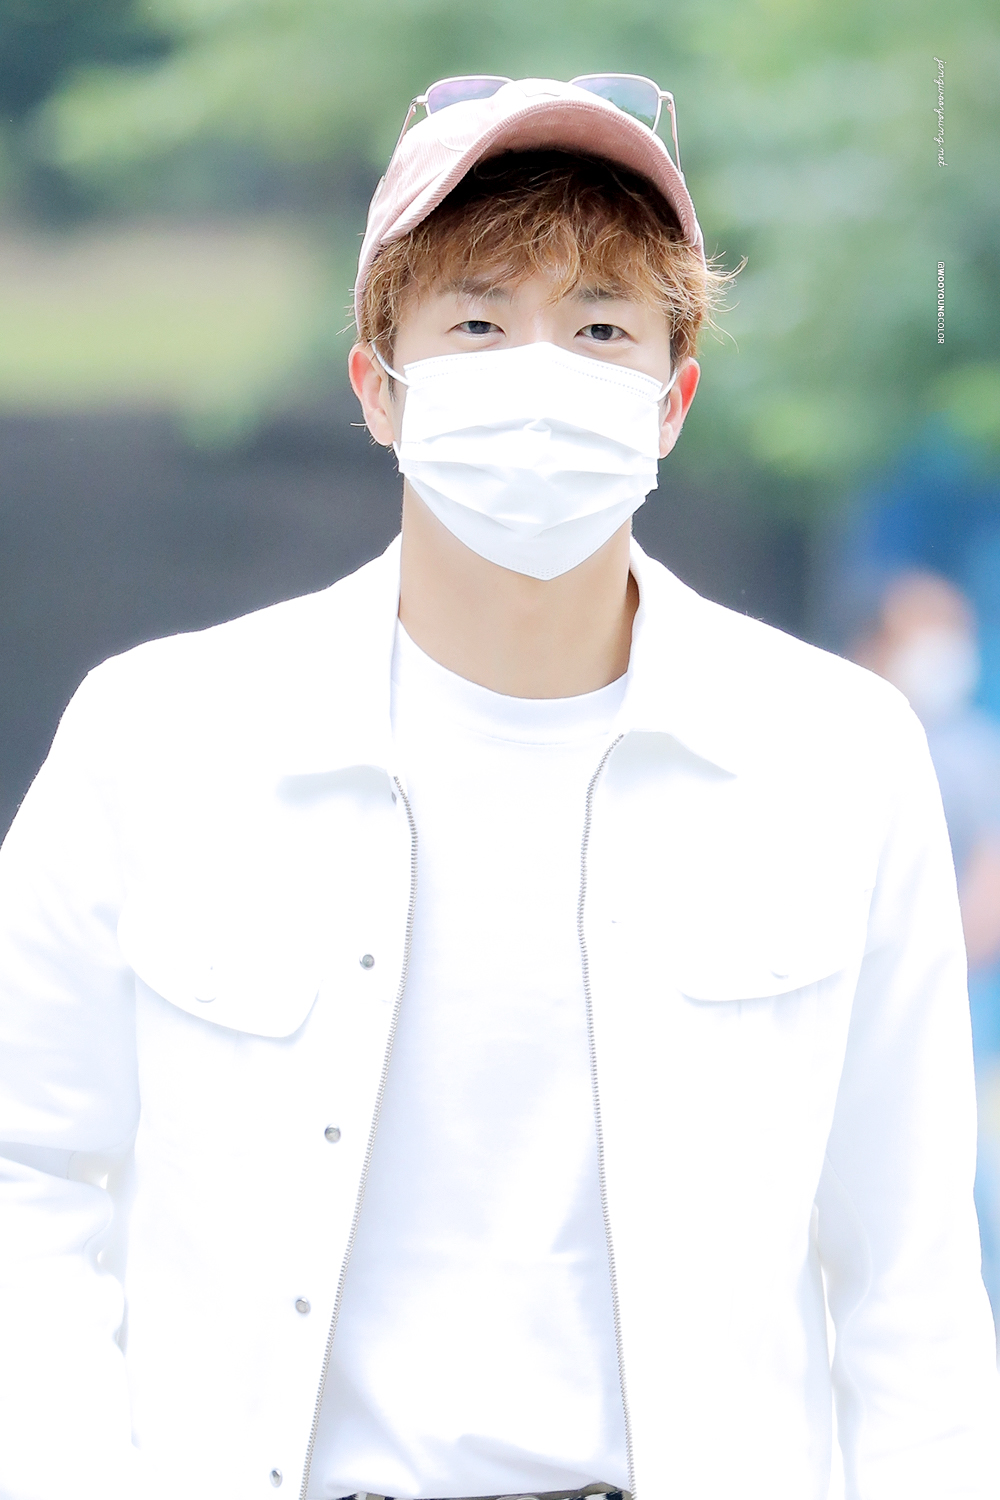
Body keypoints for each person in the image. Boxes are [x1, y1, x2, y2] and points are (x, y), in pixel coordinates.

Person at [0, 75, 997, 1500]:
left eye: (600, 329)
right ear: (378, 388)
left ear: (672, 401)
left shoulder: (836, 758)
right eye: (476, 322)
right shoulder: (160, 739)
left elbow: (909, 1281)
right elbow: (27, 1169)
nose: (541, 374)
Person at [854, 568, 1000, 1322]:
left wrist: (928, 969)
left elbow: (991, 886)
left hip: (952, 1006)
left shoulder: (973, 751)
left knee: (956, 1179)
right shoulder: (844, 730)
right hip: (847, 1001)